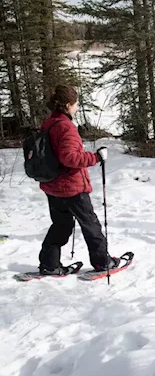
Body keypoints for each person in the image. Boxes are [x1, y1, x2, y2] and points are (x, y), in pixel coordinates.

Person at [38, 85, 120, 275]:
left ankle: (49, 263)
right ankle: (102, 262)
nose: (76, 108)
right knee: (90, 225)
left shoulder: (49, 123)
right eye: (75, 104)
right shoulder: (66, 127)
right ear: (67, 105)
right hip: (71, 187)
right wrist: (96, 157)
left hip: (53, 185)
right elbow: (70, 158)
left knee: (61, 226)